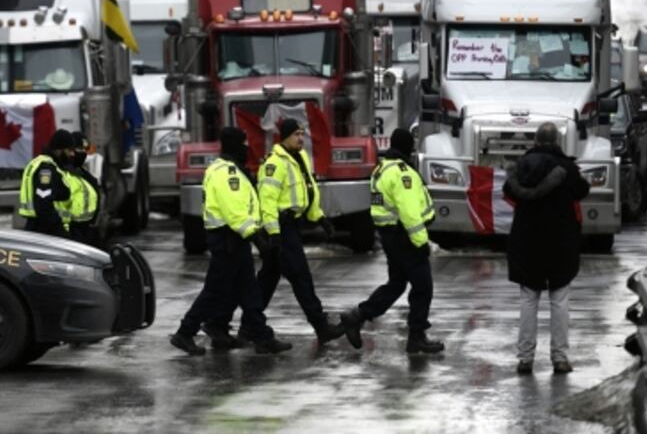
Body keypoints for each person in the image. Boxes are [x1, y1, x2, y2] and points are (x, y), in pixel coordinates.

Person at [170, 127, 292, 356]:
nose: (247, 149)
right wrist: (257, 239)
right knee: (215, 292)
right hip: (228, 240)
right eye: (244, 144)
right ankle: (185, 332)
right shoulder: (227, 173)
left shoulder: (227, 169)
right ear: (235, 145)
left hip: (233, 240)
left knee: (248, 290)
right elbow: (235, 212)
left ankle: (258, 336)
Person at [341, 128, 444, 355]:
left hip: (390, 236)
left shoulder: (382, 169)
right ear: (407, 147)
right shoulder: (402, 173)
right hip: (404, 236)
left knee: (396, 284)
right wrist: (421, 242)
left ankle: (357, 316)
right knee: (423, 286)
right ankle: (416, 336)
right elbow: (409, 213)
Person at [503, 122, 590, 375]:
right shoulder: (567, 168)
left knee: (528, 299)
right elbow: (582, 190)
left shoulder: (521, 166)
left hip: (526, 240)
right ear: (557, 141)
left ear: (536, 140)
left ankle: (525, 359)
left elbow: (508, 191)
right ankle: (560, 358)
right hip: (560, 241)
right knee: (559, 299)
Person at [249, 119, 344, 344]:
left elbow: (308, 191)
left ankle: (248, 326)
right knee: (301, 277)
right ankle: (320, 325)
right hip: (281, 228)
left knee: (267, 280)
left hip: (292, 225)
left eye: (302, 134)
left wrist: (319, 217)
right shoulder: (275, 164)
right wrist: (273, 233)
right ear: (285, 137)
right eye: (296, 134)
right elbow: (267, 201)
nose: (301, 138)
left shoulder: (299, 158)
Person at [19, 129, 75, 238]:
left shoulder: (47, 165)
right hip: (44, 231)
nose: (72, 154)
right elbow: (43, 205)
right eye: (69, 150)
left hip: (42, 229)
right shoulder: (46, 169)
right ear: (59, 149)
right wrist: (61, 233)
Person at [57, 132, 102, 248]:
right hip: (69, 233)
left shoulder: (85, 175)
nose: (82, 153)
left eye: (84, 149)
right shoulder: (61, 173)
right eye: (79, 148)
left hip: (86, 231)